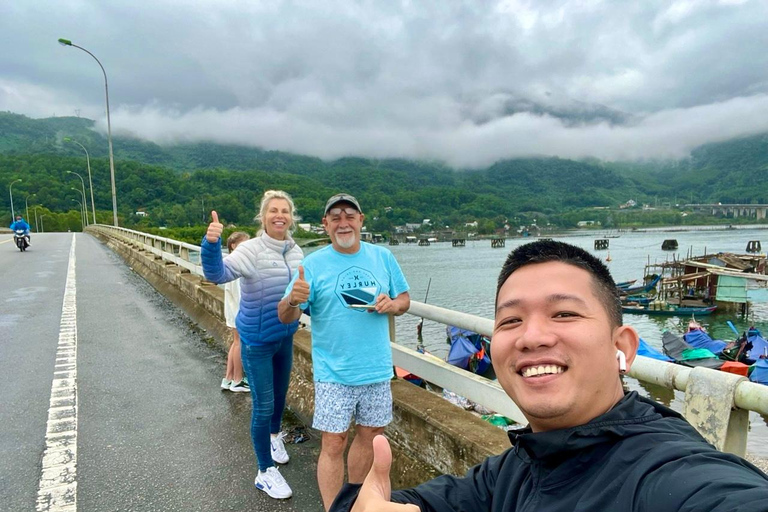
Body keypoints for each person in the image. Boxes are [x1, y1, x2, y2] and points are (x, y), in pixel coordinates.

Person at [331, 240, 768, 512]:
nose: (532, 336)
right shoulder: (514, 470)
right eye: (509, 321)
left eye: (564, 313)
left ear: (624, 347)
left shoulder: (671, 475)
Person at [278, 193, 410, 511]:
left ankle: (354, 503)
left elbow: (404, 299)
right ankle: (332, 508)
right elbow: (285, 316)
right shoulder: (311, 265)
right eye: (335, 217)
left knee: (370, 436)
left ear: (361, 220)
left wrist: (392, 304)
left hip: (376, 368)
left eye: (349, 215)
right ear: (325, 225)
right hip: (334, 370)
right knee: (333, 441)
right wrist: (293, 300)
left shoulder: (383, 257)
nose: (343, 222)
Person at [201, 191, 303, 500]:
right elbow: (216, 274)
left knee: (280, 397)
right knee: (263, 405)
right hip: (257, 341)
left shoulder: (296, 251)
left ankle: (274, 437)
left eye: (285, 210)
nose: (279, 215)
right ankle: (264, 471)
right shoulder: (251, 250)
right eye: (273, 210)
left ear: (291, 217)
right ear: (263, 216)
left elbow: (300, 293)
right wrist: (211, 244)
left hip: (285, 337)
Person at [221, 231, 251, 393]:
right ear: (233, 246)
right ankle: (238, 380)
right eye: (244, 244)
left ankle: (229, 378)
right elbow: (241, 293)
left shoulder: (227, 262)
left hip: (231, 309)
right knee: (240, 344)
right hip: (238, 310)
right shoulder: (237, 264)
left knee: (235, 343)